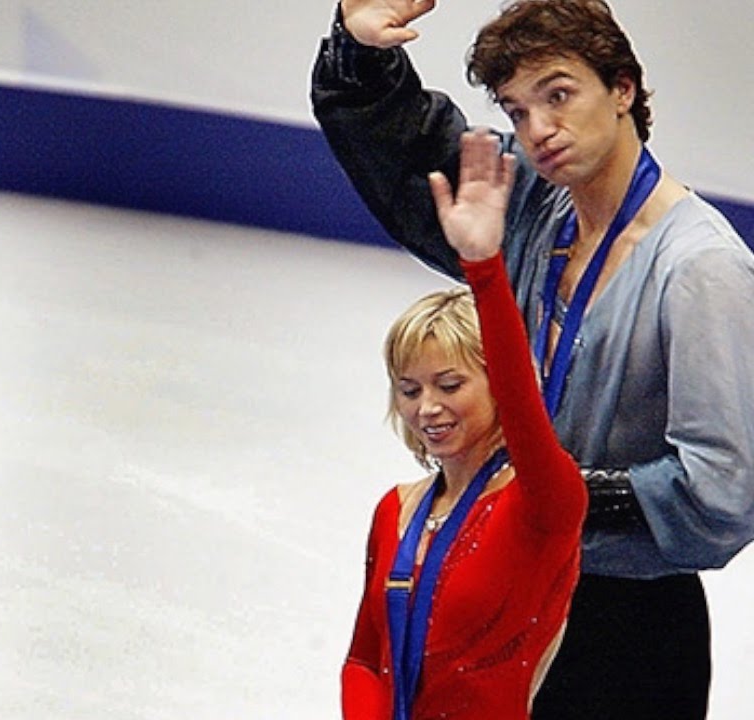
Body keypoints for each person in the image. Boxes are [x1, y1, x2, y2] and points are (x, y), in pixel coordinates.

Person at [312, 0, 754, 717]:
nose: (539, 130)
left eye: (559, 94)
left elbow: (723, 494)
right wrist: (360, 57)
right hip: (506, 599)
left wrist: (551, 501)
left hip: (623, 628)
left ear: (623, 89)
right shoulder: (539, 208)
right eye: (517, 111)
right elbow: (417, 157)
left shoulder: (702, 270)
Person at [344, 129, 586, 718]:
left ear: (498, 387)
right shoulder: (395, 512)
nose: (427, 407)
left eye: (450, 385)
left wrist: (483, 267)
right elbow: (364, 660)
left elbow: (524, 403)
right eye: (409, 389)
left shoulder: (543, 503)